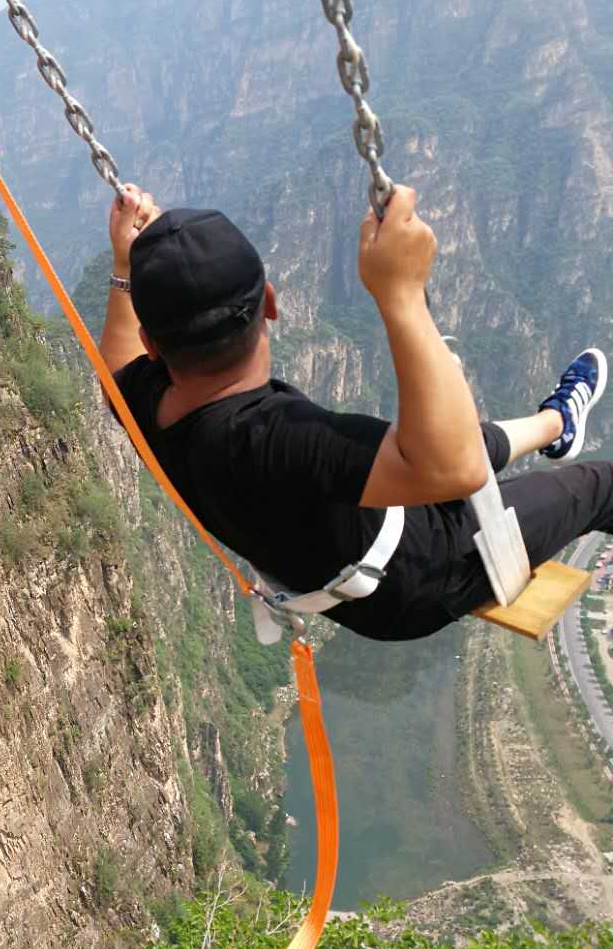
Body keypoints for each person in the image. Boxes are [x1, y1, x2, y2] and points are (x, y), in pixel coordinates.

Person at [97, 183, 610, 642]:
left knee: (450, 436)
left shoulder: (144, 404)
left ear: (153, 345)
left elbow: (116, 370)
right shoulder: (278, 442)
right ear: (271, 303)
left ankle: (557, 425)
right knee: (600, 486)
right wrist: (403, 296)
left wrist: (126, 268)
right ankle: (560, 432)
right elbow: (457, 471)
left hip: (361, 556)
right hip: (421, 571)